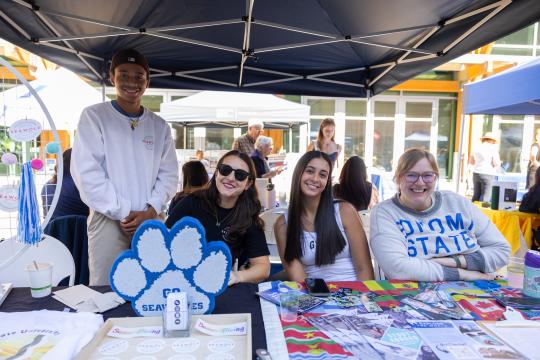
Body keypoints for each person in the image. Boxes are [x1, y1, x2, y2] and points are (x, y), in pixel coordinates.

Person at [71, 48, 179, 286]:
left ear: (147, 81)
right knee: (107, 290)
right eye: (124, 74)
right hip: (108, 221)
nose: (132, 82)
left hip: (151, 218)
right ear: (112, 77)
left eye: (139, 76)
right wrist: (124, 212)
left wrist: (150, 211)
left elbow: (170, 175)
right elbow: (87, 174)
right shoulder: (94, 117)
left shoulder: (159, 126)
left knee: (156, 286)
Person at [370, 148, 510, 282]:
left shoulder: (457, 203)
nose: (419, 182)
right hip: (416, 294)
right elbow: (398, 268)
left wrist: (455, 261)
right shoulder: (385, 212)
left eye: (427, 175)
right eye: (411, 175)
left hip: (480, 289)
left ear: (436, 177)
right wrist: (465, 274)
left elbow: (502, 251)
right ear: (398, 178)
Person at [166, 150, 270, 285]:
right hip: (180, 283)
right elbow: (162, 240)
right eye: (225, 170)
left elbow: (263, 267)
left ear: (248, 184)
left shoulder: (248, 216)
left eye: (240, 175)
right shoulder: (192, 202)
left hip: (221, 288)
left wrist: (237, 276)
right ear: (216, 173)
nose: (231, 178)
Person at [274, 151, 374, 282]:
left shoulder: (344, 211)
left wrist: (362, 299)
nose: (315, 179)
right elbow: (299, 279)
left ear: (327, 181)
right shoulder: (283, 225)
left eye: (322, 175)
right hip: (316, 295)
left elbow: (365, 270)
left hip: (355, 292)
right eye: (310, 171)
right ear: (298, 173)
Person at [41, 148, 89, 220]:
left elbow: (46, 216)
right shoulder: (81, 185)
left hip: (51, 230)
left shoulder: (47, 186)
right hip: (79, 230)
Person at [470, 131, 501, 202]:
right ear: (491, 140)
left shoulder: (476, 147)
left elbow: (471, 162)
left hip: (476, 173)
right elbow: (496, 163)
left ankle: (472, 211)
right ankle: (482, 212)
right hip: (488, 173)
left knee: (476, 195)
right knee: (486, 196)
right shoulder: (492, 148)